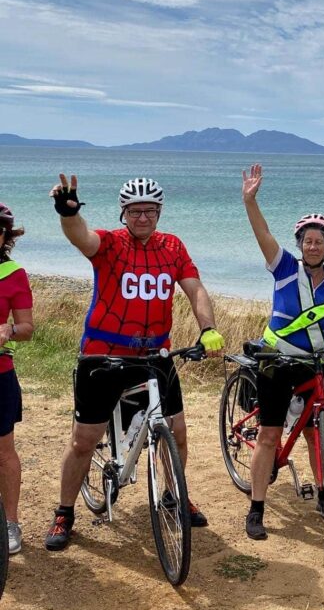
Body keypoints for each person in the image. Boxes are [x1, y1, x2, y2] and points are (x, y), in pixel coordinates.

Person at [44, 174, 225, 551]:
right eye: (135, 211)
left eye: (150, 210)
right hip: (102, 354)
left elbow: (195, 288)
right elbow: (81, 236)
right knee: (83, 441)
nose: (142, 217)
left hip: (155, 356)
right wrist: (68, 212)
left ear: (159, 212)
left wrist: (208, 328)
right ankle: (65, 511)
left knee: (176, 432)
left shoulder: (173, 246)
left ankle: (173, 495)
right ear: (123, 213)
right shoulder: (110, 243)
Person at [242, 163, 324, 540]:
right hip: (276, 363)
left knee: (314, 432)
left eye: (319, 241)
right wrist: (250, 200)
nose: (313, 246)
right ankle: (257, 508)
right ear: (300, 244)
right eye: (307, 240)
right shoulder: (284, 268)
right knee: (269, 435)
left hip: (315, 366)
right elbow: (262, 234)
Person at [0, 204, 34, 556]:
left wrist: (9, 329)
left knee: (3, 454)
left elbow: (26, 329)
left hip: (0, 374)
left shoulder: (13, 273)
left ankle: (10, 523)